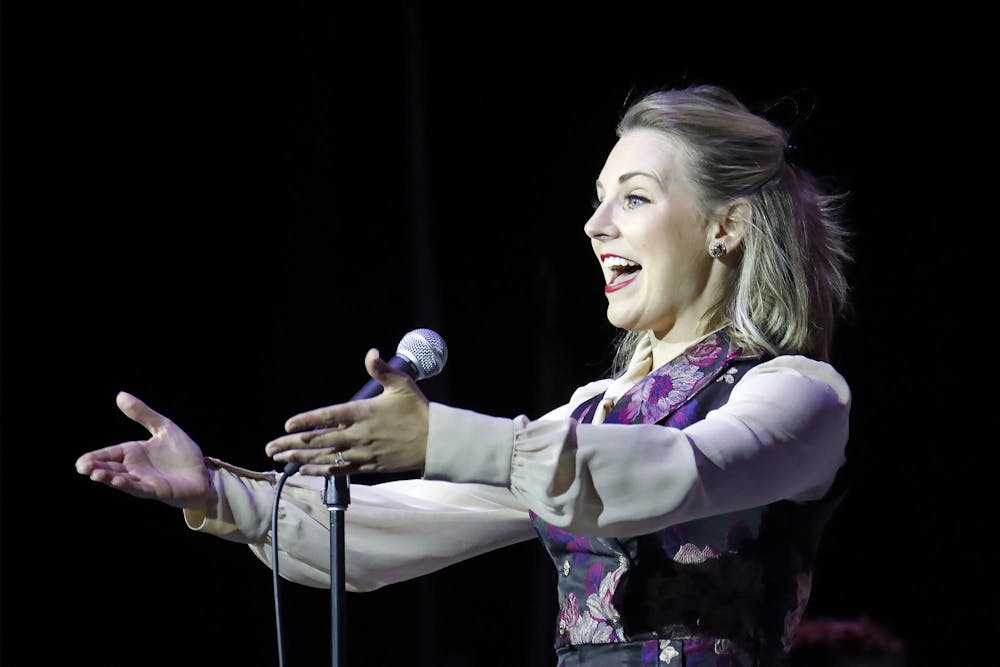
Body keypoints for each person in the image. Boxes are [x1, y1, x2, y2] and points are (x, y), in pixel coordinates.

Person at [75, 83, 853, 667]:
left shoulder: (798, 393)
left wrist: (443, 435)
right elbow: (398, 526)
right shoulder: (592, 413)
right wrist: (218, 492)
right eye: (597, 200)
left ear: (727, 226)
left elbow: (681, 472)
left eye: (635, 198)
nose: (595, 225)